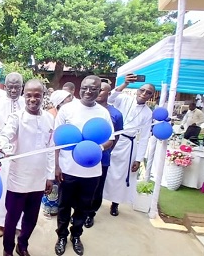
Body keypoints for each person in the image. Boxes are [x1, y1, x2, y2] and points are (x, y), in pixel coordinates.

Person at [54, 75, 114, 256]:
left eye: (93, 89)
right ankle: (62, 236)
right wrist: (56, 166)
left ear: (99, 91)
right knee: (63, 206)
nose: (88, 92)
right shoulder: (67, 109)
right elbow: (57, 139)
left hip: (91, 171)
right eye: (85, 88)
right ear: (80, 88)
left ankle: (76, 235)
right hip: (67, 169)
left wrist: (99, 148)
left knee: (83, 207)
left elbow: (111, 139)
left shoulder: (103, 113)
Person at [0, 79, 55, 256]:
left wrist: (49, 176)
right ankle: (7, 250)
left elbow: (51, 149)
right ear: (24, 95)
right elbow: (6, 134)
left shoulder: (49, 119)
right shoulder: (16, 117)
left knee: (31, 217)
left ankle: (23, 245)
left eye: (37, 95)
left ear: (43, 96)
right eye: (29, 95)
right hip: (18, 178)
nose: (33, 99)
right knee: (11, 218)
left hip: (39, 178)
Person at [103, 74, 154, 217]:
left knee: (121, 176)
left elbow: (144, 137)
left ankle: (115, 204)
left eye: (148, 92)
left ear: (151, 96)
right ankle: (95, 203)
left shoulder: (148, 113)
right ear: (137, 90)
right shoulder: (125, 99)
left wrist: (139, 159)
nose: (144, 94)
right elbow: (110, 97)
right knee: (104, 172)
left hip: (129, 145)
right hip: (112, 141)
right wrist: (124, 84)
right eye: (142, 90)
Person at [0, 72, 25, 237]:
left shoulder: (27, 102)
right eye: (10, 86)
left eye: (17, 86)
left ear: (21, 87)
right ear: (5, 86)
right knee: (3, 188)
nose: (13, 90)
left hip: (23, 153)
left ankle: (18, 223)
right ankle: (0, 223)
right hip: (3, 152)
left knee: (20, 189)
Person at [86, 82, 123, 228]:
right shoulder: (86, 109)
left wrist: (107, 149)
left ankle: (90, 214)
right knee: (82, 187)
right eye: (96, 89)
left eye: (101, 90)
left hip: (102, 157)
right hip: (84, 156)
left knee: (97, 187)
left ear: (109, 93)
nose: (97, 92)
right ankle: (79, 213)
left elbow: (117, 135)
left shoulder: (116, 114)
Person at [42, 89, 73, 218]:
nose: (71, 101)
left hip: (66, 154)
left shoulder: (69, 113)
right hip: (52, 153)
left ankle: (61, 208)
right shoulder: (50, 115)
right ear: (60, 102)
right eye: (68, 99)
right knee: (52, 182)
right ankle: (49, 208)